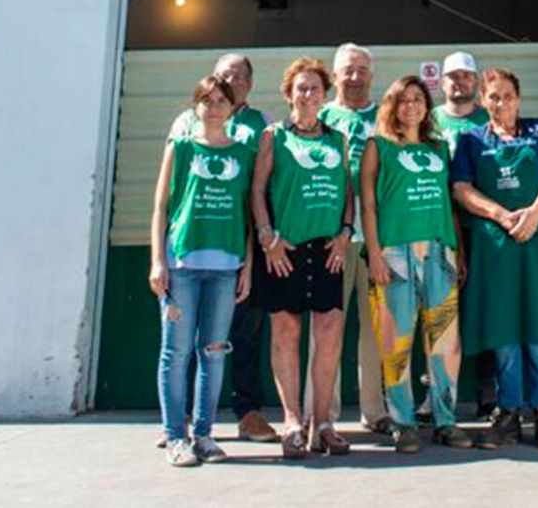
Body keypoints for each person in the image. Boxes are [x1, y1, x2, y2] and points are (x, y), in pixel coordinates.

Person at [452, 68, 538, 450]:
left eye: (507, 95)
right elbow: (461, 188)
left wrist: (534, 213)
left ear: (519, 98)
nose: (500, 103)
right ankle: (507, 412)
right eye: (493, 97)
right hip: (496, 246)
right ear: (482, 101)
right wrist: (502, 216)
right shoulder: (471, 139)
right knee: (503, 331)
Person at [166, 53, 277, 444]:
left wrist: (258, 242)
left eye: (238, 76)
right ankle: (180, 420)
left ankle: (248, 414)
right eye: (223, 75)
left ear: (248, 84)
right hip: (190, 248)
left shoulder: (261, 125)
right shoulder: (186, 123)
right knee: (188, 339)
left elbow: (263, 184)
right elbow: (172, 191)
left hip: (239, 245)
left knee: (244, 334)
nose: (230, 81)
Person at [360, 76, 474, 453]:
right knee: (396, 342)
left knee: (445, 343)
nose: (411, 105)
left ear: (427, 106)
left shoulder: (439, 148)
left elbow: (448, 201)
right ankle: (403, 422)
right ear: (392, 105)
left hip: (439, 252)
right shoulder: (378, 146)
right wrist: (374, 254)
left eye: (418, 99)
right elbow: (369, 204)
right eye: (403, 99)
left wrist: (457, 250)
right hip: (395, 256)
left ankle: (445, 419)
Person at [251, 58, 357, 459]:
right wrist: (268, 238)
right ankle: (293, 422)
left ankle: (324, 424)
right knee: (286, 334)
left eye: (315, 88)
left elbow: (349, 191)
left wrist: (346, 234)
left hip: (327, 251)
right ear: (288, 93)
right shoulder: (273, 136)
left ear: (325, 94)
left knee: (329, 336)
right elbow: (257, 190)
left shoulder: (338, 138)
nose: (308, 94)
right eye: (301, 88)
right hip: (285, 250)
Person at [148, 75, 256, 467]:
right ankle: (176, 436)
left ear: (232, 106)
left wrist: (248, 265)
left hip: (226, 267)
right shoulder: (179, 147)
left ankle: (205, 435)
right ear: (195, 106)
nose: (213, 107)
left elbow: (249, 214)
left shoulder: (244, 152)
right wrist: (157, 260)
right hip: (182, 266)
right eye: (206, 100)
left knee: (213, 352)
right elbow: (161, 207)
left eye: (221, 100)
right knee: (175, 352)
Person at [311, 43, 392, 433]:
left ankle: (375, 412)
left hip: (378, 241)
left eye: (362, 69)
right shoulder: (320, 117)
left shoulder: (386, 119)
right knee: (326, 328)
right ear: (335, 75)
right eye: (348, 69)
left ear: (372, 76)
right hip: (330, 243)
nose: (355, 76)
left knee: (376, 330)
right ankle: (321, 413)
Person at [430, 51, 497, 416]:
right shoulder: (429, 121)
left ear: (477, 82)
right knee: (438, 314)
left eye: (466, 76)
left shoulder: (490, 121)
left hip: (484, 229)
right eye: (452, 77)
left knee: (486, 309)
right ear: (441, 83)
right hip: (438, 229)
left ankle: (489, 391)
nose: (460, 82)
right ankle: (433, 394)